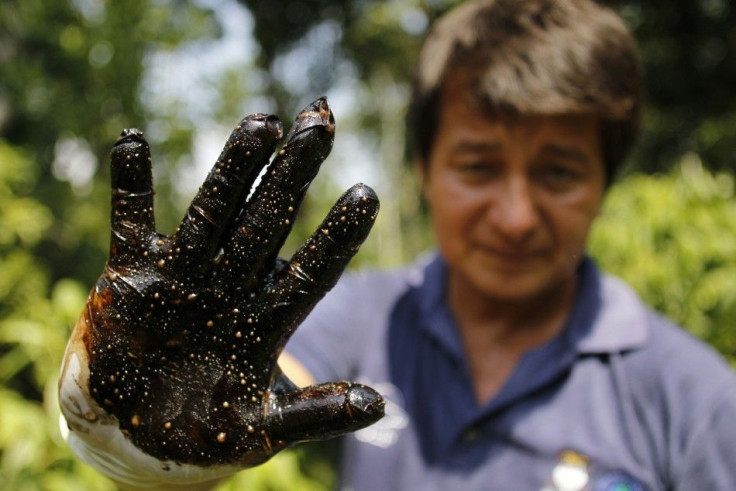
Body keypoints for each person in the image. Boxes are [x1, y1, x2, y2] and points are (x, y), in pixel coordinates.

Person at [279, 0, 736, 489]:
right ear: (424, 173)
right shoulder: (363, 314)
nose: (516, 219)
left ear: (604, 184)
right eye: (478, 167)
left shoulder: (696, 401)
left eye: (559, 172)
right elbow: (253, 402)